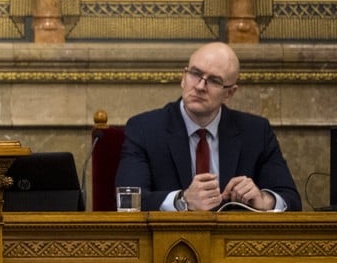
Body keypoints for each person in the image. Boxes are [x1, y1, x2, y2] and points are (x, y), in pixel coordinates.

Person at [115, 42, 301, 212]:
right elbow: (127, 202)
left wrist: (264, 200)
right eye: (195, 74)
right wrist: (182, 200)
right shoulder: (144, 129)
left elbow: (291, 200)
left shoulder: (256, 132)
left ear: (229, 93)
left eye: (214, 81)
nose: (200, 86)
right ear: (183, 78)